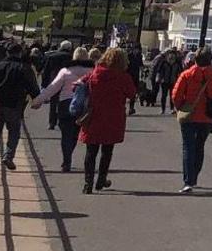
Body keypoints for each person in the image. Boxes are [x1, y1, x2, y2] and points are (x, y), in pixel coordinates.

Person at [76, 47, 138, 194]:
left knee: (91, 151)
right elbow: (132, 93)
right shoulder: (123, 77)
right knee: (107, 151)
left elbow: (79, 84)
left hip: (93, 115)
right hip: (113, 117)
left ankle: (88, 183)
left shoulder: (95, 73)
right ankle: (101, 179)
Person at [32, 46, 97, 173]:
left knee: (65, 134)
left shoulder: (65, 71)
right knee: (75, 134)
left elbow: (52, 88)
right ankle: (69, 154)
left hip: (65, 104)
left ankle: (66, 161)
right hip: (83, 106)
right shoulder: (92, 71)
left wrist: (37, 101)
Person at [0, 44, 41, 172]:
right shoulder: (25, 68)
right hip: (14, 105)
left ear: (7, 53)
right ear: (20, 53)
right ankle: (8, 156)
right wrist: (36, 99)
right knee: (14, 132)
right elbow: (32, 86)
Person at [171, 48, 212, 193]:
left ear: (195, 59)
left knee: (188, 147)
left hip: (189, 115)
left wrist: (180, 108)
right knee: (199, 146)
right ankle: (194, 176)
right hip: (207, 116)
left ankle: (188, 180)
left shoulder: (187, 74)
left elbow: (176, 95)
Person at [40, 41, 74, 132]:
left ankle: (52, 123)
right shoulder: (71, 57)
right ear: (69, 48)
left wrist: (44, 84)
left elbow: (46, 71)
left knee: (53, 102)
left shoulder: (52, 56)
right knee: (65, 102)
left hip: (54, 81)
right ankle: (62, 121)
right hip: (67, 81)